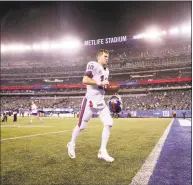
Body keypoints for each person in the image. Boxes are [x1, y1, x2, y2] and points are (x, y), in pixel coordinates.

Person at [67, 49, 114, 162]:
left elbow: (104, 86)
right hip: (90, 101)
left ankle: (102, 151)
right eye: (105, 56)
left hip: (101, 102)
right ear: (99, 57)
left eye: (108, 56)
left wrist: (110, 88)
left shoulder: (107, 71)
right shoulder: (93, 64)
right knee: (81, 126)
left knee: (109, 123)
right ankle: (71, 144)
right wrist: (99, 83)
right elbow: (85, 79)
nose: (107, 58)